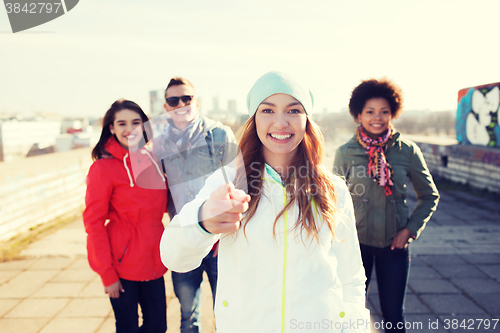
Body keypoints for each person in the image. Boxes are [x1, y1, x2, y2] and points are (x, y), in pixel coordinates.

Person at [160, 71, 370, 333]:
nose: (280, 122)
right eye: (268, 110)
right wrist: (203, 222)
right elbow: (173, 256)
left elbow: (351, 277)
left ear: (307, 119)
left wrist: (351, 325)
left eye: (293, 111)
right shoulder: (227, 182)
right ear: (254, 119)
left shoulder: (333, 189)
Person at [333, 78, 440, 332]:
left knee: (393, 316)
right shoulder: (345, 152)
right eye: (370, 112)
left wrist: (410, 230)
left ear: (393, 114)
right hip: (355, 247)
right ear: (358, 115)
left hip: (394, 247)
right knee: (349, 313)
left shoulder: (407, 151)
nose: (377, 118)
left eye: (384, 112)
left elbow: (429, 196)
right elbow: (332, 200)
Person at [152, 77, 235, 333]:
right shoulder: (159, 144)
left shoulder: (219, 134)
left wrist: (226, 232)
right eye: (173, 100)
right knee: (188, 316)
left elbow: (238, 182)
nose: (181, 104)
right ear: (166, 107)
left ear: (196, 102)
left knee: (229, 312)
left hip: (219, 240)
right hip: (184, 238)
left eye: (186, 98)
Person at [83, 99, 168, 333]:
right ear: (111, 127)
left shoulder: (151, 159)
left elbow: (158, 206)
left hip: (153, 260)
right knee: (128, 327)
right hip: (122, 264)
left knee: (157, 326)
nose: (129, 129)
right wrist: (107, 274)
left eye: (135, 122)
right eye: (121, 123)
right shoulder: (103, 168)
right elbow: (93, 223)